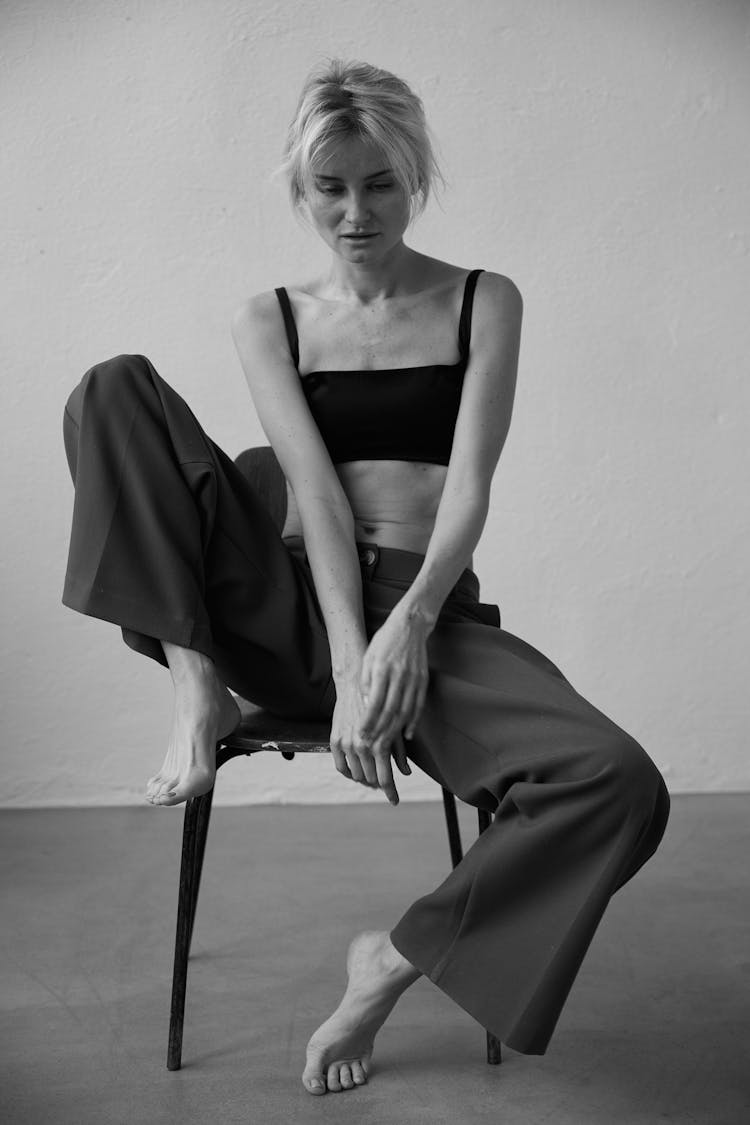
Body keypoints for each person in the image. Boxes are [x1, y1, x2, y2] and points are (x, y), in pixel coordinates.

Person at [62, 58, 671, 1096]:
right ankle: (193, 677)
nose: (355, 211)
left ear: (415, 175)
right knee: (112, 389)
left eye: (380, 182)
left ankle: (391, 961)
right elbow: (318, 495)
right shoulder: (273, 317)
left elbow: (470, 489)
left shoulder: (484, 300)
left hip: (426, 613)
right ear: (303, 190)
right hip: (294, 601)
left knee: (619, 782)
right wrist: (350, 660)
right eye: (331, 187)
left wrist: (408, 631)